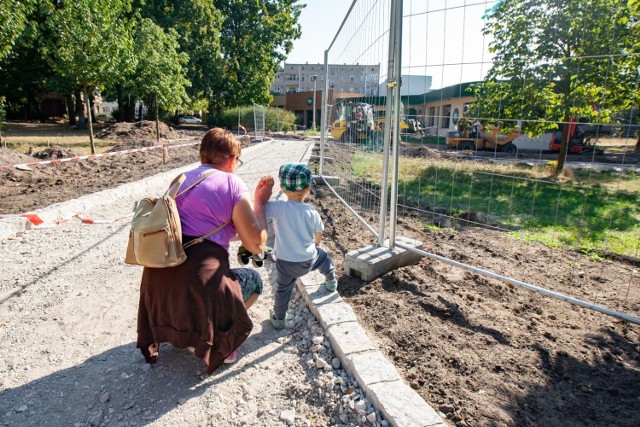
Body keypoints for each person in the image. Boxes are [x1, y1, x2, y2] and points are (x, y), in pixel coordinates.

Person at [136, 127, 271, 373]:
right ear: (232, 159)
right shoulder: (232, 182)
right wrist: (260, 203)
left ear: (203, 156)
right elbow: (257, 244)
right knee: (253, 280)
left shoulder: (180, 181)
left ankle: (180, 328)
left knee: (189, 282)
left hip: (158, 286)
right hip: (199, 282)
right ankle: (219, 339)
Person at [255, 163, 337, 330]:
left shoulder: (277, 207)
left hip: (285, 263)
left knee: (282, 291)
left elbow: (260, 207)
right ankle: (331, 281)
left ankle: (278, 319)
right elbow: (319, 232)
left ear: (282, 188)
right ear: (308, 188)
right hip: (308, 260)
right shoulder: (311, 211)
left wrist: (264, 190)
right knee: (324, 257)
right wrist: (316, 245)